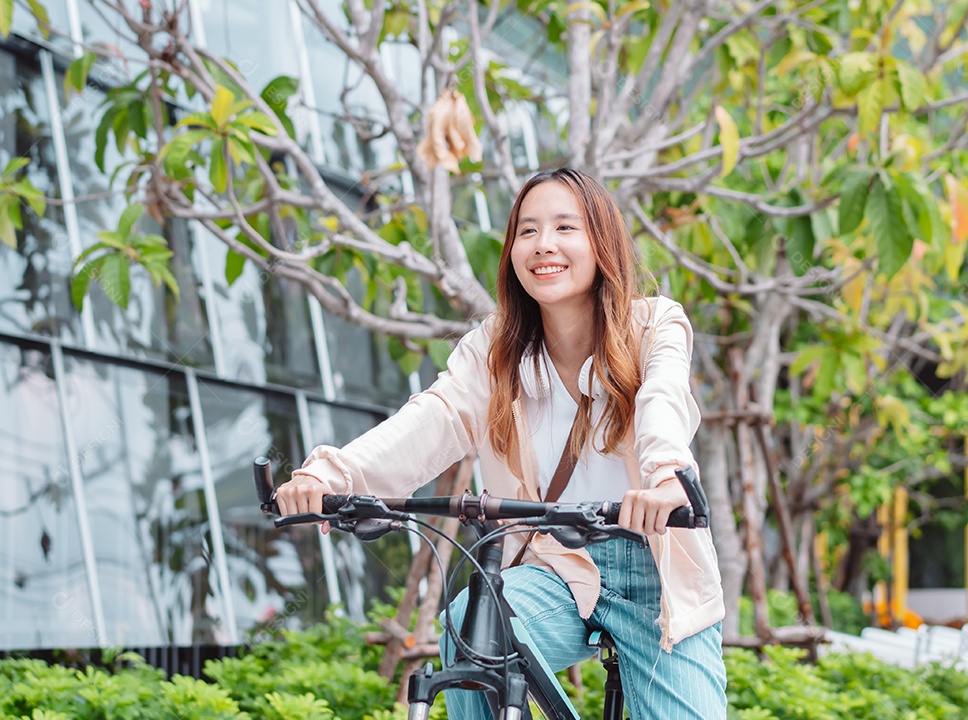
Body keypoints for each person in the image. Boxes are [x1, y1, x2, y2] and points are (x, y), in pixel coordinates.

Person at [276, 168, 727, 719]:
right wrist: (331, 476)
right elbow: (432, 419)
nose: (544, 245)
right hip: (553, 565)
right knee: (473, 631)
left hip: (655, 569)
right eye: (528, 230)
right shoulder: (493, 350)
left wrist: (665, 479)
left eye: (566, 227)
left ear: (601, 242)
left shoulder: (656, 325)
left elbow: (663, 401)